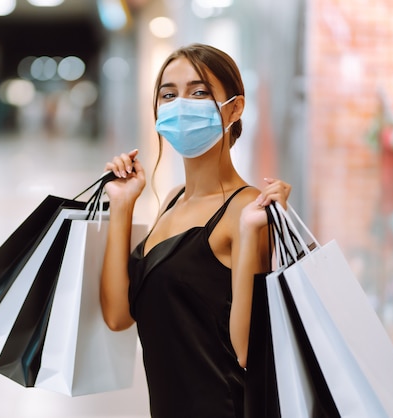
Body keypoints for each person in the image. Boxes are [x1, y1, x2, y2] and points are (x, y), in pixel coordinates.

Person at [100, 43, 292, 417]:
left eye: (199, 92)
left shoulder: (246, 210)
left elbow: (246, 352)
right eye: (168, 94)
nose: (180, 105)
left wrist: (252, 233)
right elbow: (118, 316)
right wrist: (122, 205)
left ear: (234, 108)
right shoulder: (173, 199)